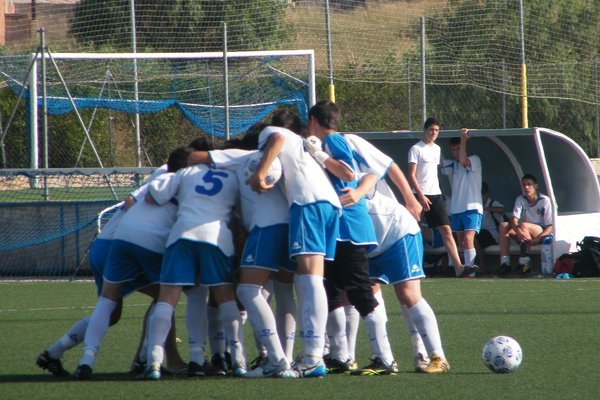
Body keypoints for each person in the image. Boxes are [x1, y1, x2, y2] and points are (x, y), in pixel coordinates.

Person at [187, 122, 298, 378]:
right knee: (283, 291)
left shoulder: (241, 156)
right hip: (291, 226)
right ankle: (286, 358)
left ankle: (276, 359)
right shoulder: (279, 160)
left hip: (266, 228)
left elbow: (196, 157)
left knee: (247, 290)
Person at [72, 147, 190, 380]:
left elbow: (129, 201)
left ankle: (82, 359)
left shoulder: (161, 175)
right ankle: (156, 362)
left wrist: (142, 215)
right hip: (143, 242)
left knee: (108, 305)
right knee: (165, 297)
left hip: (118, 239)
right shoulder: (181, 179)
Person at [303, 101, 397, 375]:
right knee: (330, 290)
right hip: (335, 230)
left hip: (350, 228)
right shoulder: (329, 142)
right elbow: (367, 174)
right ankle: (340, 355)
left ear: (313, 121)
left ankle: (385, 358)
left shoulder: (333, 140)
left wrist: (318, 155)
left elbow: (348, 173)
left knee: (359, 291)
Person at [143, 137, 247, 380]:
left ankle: (156, 362)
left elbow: (154, 196)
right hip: (216, 236)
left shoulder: (186, 172)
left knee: (168, 299)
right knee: (225, 298)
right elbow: (241, 213)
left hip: (182, 234)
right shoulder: (232, 175)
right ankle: (239, 361)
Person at [248, 107, 341, 378]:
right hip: (327, 205)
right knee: (306, 278)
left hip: (308, 202)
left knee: (310, 279)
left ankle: (313, 357)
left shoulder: (274, 133)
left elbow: (275, 140)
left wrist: (259, 172)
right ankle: (312, 353)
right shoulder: (300, 142)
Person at [407, 117, 469, 276]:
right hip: (419, 195)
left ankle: (458, 267)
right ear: (425, 130)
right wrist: (421, 196)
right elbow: (412, 175)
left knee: (446, 230)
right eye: (431, 130)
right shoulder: (416, 149)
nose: (433, 133)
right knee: (413, 230)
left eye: (436, 130)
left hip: (435, 195)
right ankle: (412, 267)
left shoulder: (437, 149)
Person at [441, 129, 482, 277]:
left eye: (458, 148)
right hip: (456, 208)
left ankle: (470, 272)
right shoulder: (452, 165)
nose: (456, 152)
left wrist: (463, 139)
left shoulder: (474, 159)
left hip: (472, 206)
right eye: (453, 149)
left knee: (468, 238)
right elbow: (438, 164)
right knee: (460, 242)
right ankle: (460, 269)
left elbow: (464, 161)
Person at [497, 173, 553, 275]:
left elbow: (550, 226)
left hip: (540, 232)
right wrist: (518, 232)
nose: (526, 187)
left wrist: (538, 238)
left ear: (535, 186)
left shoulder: (545, 200)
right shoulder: (520, 199)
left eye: (529, 184)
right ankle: (505, 263)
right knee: (503, 226)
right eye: (524, 185)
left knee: (523, 225)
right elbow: (514, 219)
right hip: (524, 232)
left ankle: (524, 263)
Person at [474, 182, 505, 271]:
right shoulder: (476, 206)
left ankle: (482, 264)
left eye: (483, 194)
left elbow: (501, 209)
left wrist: (486, 209)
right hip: (481, 234)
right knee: (471, 235)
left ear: (486, 194)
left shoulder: (492, 203)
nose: (481, 197)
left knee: (477, 235)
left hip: (492, 235)